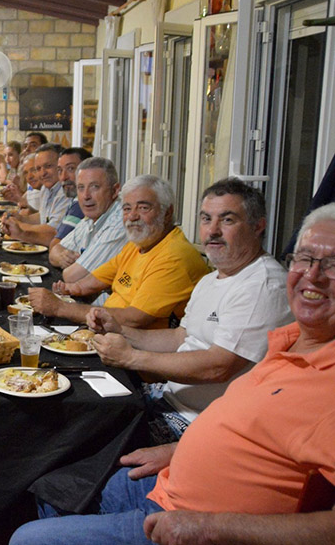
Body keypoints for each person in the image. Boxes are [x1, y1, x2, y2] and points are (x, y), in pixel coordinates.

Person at [9, 203, 335, 545]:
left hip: (200, 523)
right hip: (171, 472)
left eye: (332, 264)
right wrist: (180, 450)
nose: (313, 275)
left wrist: (210, 528)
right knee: (51, 487)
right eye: (305, 258)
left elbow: (217, 366)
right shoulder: (292, 342)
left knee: (28, 537)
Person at [89, 178, 293, 442]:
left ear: (258, 227)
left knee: (85, 449)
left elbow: (218, 366)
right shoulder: (212, 278)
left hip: (196, 424)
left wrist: (131, 358)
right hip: (163, 398)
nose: (213, 230)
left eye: (227, 220)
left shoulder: (263, 286)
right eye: (206, 219)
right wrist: (120, 330)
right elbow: (180, 337)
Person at [30, 175, 210, 328]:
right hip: (108, 332)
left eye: (143, 208)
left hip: (137, 354)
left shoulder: (173, 256)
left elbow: (134, 318)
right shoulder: (140, 243)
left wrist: (61, 307)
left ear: (168, 212)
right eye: (127, 208)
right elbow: (98, 279)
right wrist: (71, 289)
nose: (132, 216)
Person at [48, 157, 127, 304]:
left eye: (95, 187)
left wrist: (68, 266)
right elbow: (54, 250)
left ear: (115, 190)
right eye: (81, 187)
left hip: (108, 316)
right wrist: (62, 258)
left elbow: (73, 277)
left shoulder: (120, 221)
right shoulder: (91, 217)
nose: (86, 196)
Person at [1, 144, 76, 246]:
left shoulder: (65, 191)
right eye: (38, 168)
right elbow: (44, 216)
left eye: (48, 166)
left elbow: (52, 231)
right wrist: (21, 219)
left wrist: (18, 226)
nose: (43, 173)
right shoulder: (47, 187)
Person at [50, 147, 89, 241]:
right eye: (60, 170)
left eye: (71, 169)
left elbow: (58, 242)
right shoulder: (75, 200)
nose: (63, 177)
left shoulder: (83, 201)